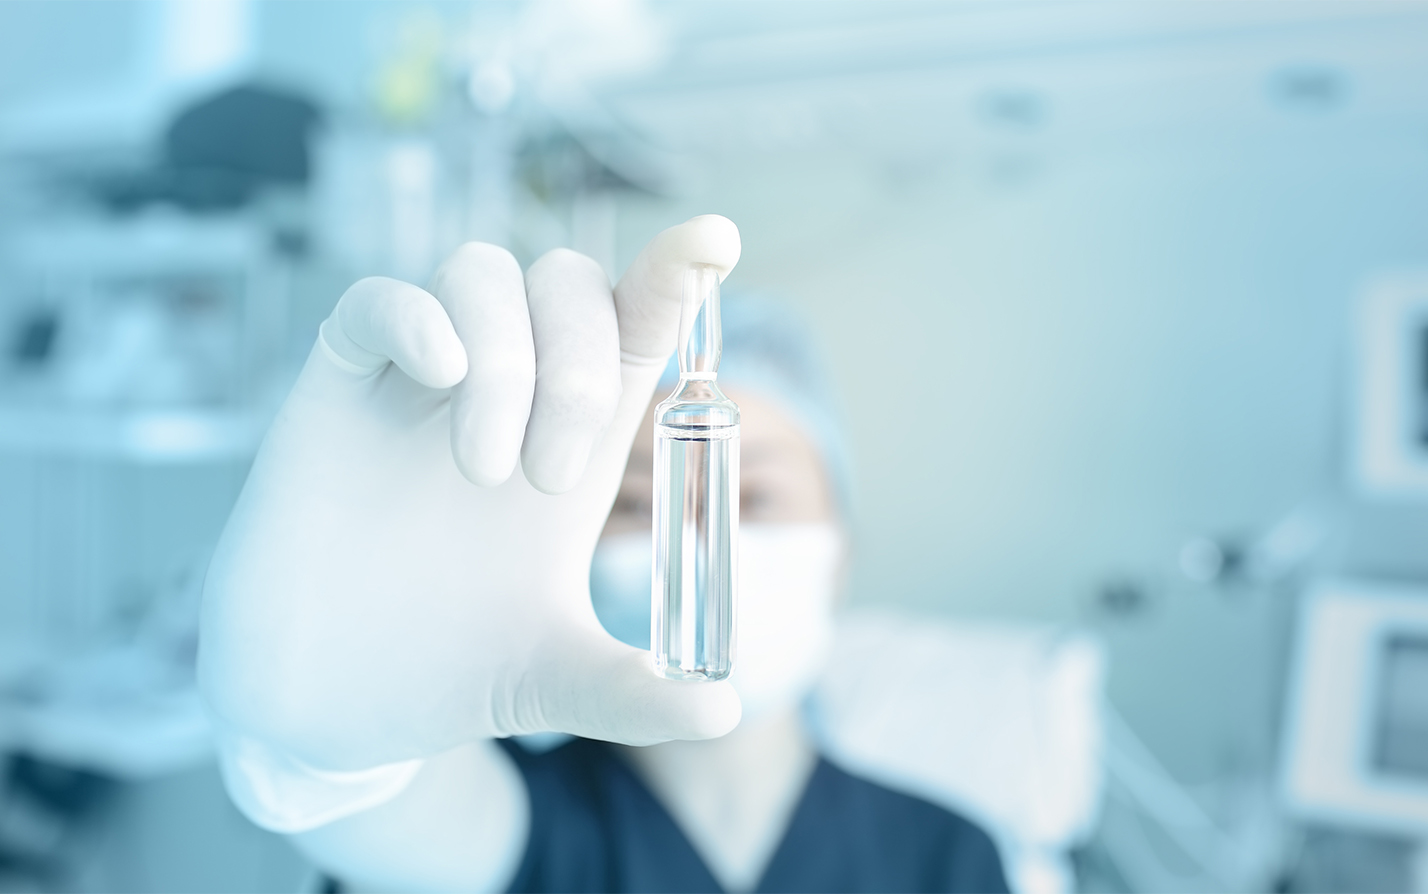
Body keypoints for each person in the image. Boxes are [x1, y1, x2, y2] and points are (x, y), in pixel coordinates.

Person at [198, 215, 1008, 893]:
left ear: (841, 550)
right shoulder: (521, 817)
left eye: (754, 497)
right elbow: (411, 829)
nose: (691, 538)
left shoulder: (948, 858)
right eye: (631, 503)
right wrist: (331, 763)